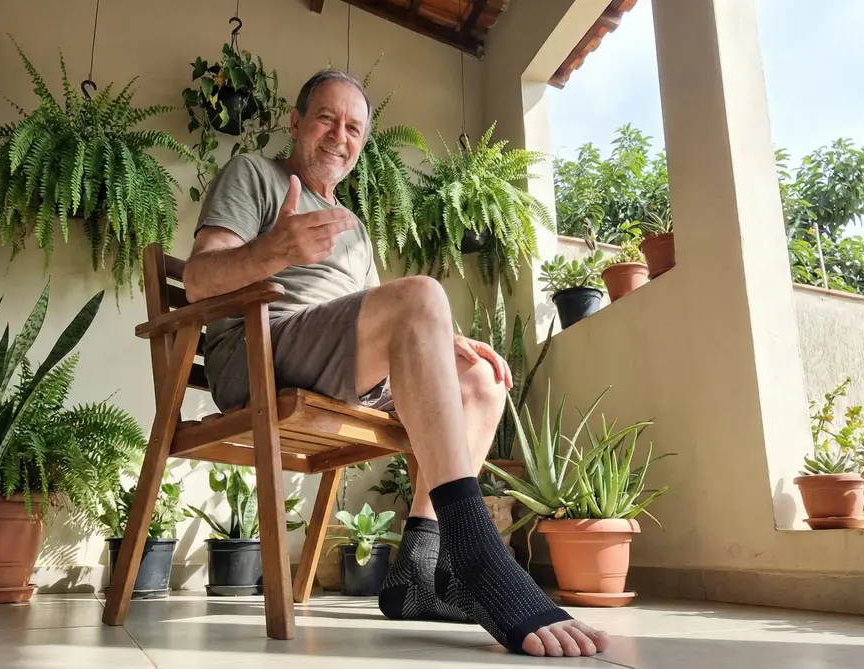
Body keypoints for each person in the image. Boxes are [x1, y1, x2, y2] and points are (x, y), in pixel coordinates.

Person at [183, 69, 609, 658]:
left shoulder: (355, 227)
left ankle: (419, 563)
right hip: (264, 350)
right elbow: (200, 279)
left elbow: (386, 316)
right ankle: (478, 552)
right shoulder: (254, 175)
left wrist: (442, 341)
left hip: (338, 362)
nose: (339, 136)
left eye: (354, 127)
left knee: (483, 380)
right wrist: (274, 250)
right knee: (423, 293)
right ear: (296, 122)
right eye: (327, 119)